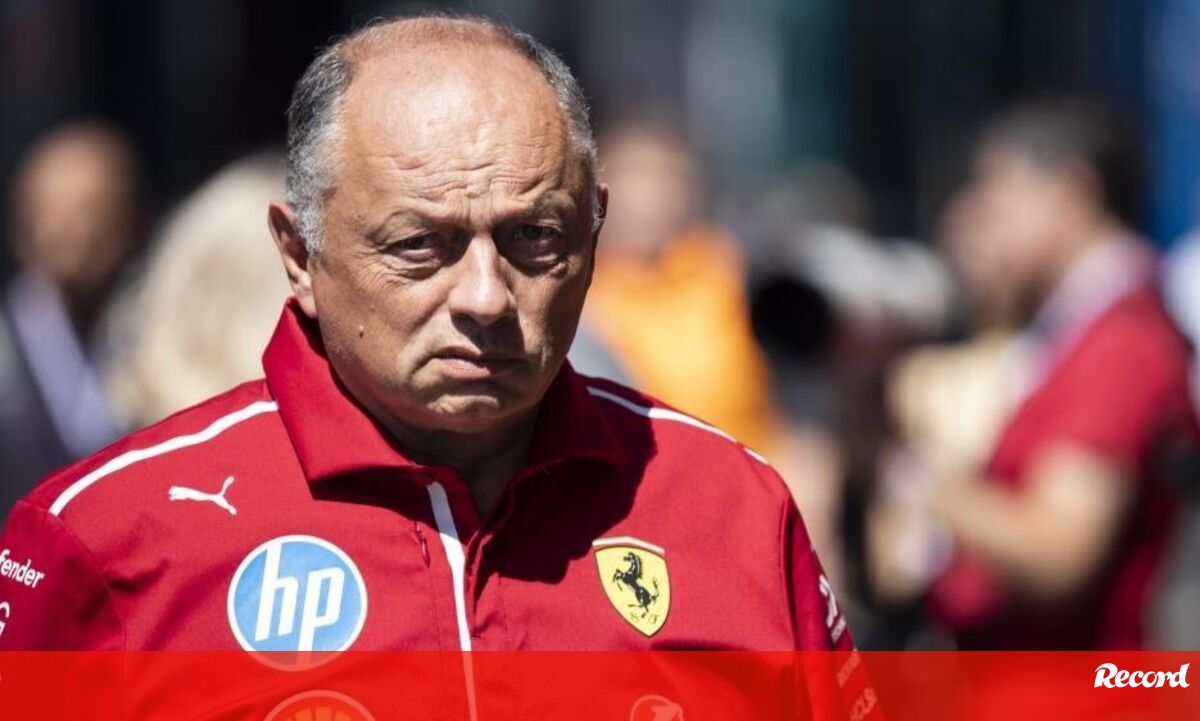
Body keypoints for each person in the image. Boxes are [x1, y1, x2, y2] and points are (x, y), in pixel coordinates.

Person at [0, 15, 874, 718]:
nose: (487, 296)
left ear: (595, 228)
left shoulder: (734, 509)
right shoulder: (107, 540)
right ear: (298, 254)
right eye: (421, 245)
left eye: (536, 236)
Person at [876, 99, 1197, 649]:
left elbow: (1059, 552)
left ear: (1072, 193)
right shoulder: (1071, 330)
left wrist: (921, 476)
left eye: (997, 196)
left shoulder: (1122, 344)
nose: (976, 217)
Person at [0, 122, 142, 518]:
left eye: (90, 210)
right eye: (53, 211)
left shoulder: (153, 337)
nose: (72, 231)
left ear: (130, 220)